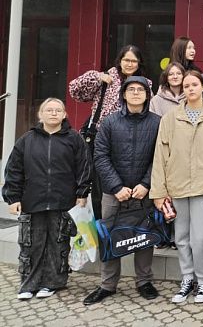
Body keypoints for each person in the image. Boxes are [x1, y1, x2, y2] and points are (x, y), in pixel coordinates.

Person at [150, 70, 203, 305]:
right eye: (186, 86)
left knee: (200, 239)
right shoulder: (170, 118)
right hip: (176, 185)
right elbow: (160, 155)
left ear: (202, 87)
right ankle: (187, 278)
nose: (190, 89)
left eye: (194, 84)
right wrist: (158, 191)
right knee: (181, 238)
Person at [84, 76, 162, 305]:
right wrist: (117, 186)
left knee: (144, 236)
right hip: (113, 192)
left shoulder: (157, 123)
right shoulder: (109, 122)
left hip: (143, 191)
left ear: (147, 95)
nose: (136, 93)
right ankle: (107, 285)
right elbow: (100, 155)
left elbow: (160, 157)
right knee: (109, 236)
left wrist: (146, 184)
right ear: (124, 94)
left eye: (140, 90)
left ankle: (144, 281)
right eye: (131, 89)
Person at [3, 98, 90, 301]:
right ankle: (29, 284)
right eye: (49, 110)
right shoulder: (27, 139)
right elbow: (14, 169)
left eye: (58, 110)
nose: (53, 113)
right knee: (31, 244)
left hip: (63, 202)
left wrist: (82, 193)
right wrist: (12, 197)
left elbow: (84, 167)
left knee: (58, 244)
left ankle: (52, 283)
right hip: (33, 201)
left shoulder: (74, 139)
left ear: (64, 114)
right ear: (40, 114)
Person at [69, 44, 152, 217]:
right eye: (126, 60)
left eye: (134, 61)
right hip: (104, 136)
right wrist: (97, 76)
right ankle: (102, 225)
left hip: (135, 138)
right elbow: (75, 90)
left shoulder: (145, 84)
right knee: (101, 185)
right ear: (119, 61)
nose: (129, 64)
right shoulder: (108, 77)